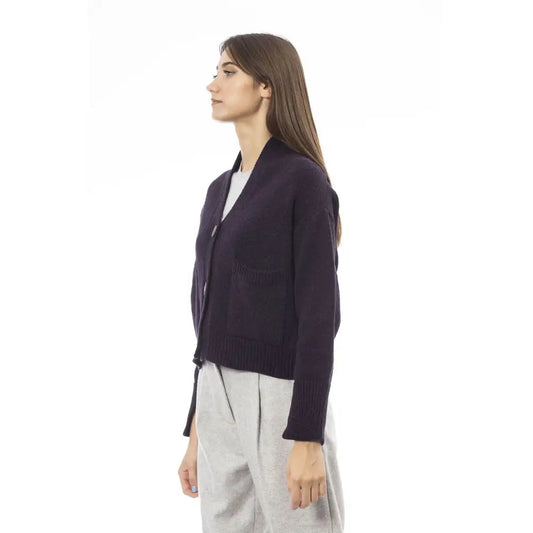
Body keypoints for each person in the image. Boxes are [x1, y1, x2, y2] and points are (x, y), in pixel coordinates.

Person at [177, 33, 345, 532]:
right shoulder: (219, 190)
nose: (213, 85)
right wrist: (196, 428)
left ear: (267, 85)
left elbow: (319, 316)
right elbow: (208, 312)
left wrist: (307, 435)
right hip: (216, 392)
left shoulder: (302, 181)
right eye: (216, 72)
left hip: (278, 395)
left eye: (229, 72)